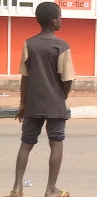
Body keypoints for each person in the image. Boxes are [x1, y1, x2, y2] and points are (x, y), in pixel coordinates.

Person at [10, 2, 75, 197]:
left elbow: (25, 76)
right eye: (60, 17)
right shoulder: (62, 46)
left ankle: (17, 187)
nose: (61, 20)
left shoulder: (29, 43)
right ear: (54, 21)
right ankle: (50, 189)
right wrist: (60, 98)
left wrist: (23, 104)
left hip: (33, 103)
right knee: (56, 144)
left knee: (26, 143)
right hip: (54, 103)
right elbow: (68, 79)